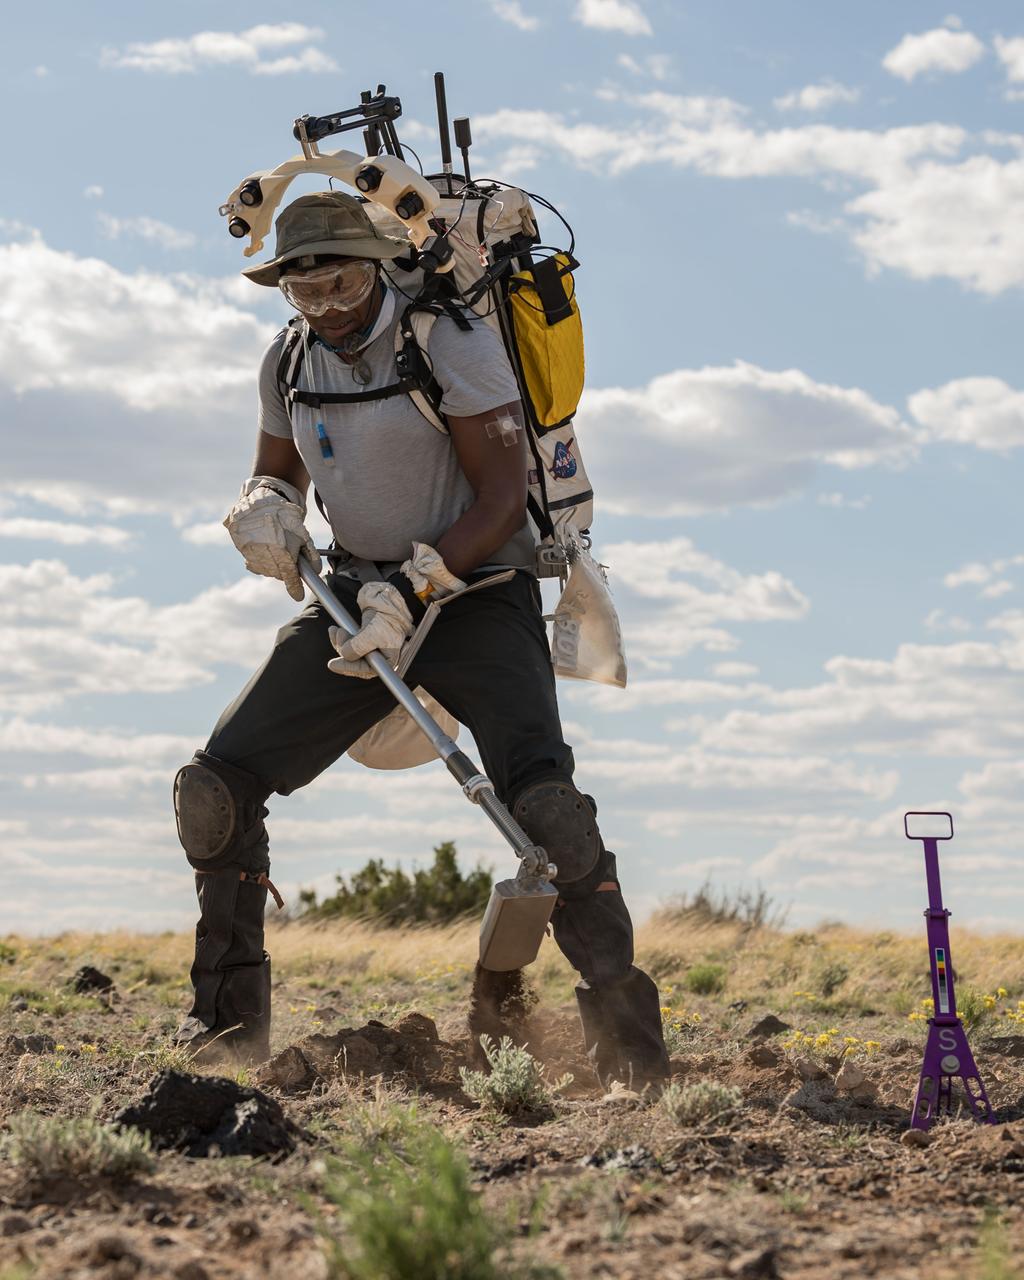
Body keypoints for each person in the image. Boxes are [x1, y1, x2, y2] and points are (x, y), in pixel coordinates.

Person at [172, 191, 670, 1089]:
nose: (324, 305)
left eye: (340, 281)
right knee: (218, 788)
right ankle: (224, 1038)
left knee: (545, 811)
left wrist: (417, 588)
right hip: (357, 601)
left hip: (478, 594)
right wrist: (267, 510)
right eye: (303, 289)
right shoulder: (286, 363)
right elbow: (275, 470)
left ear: (373, 265)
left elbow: (498, 496)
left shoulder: (452, 345)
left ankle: (631, 1050)